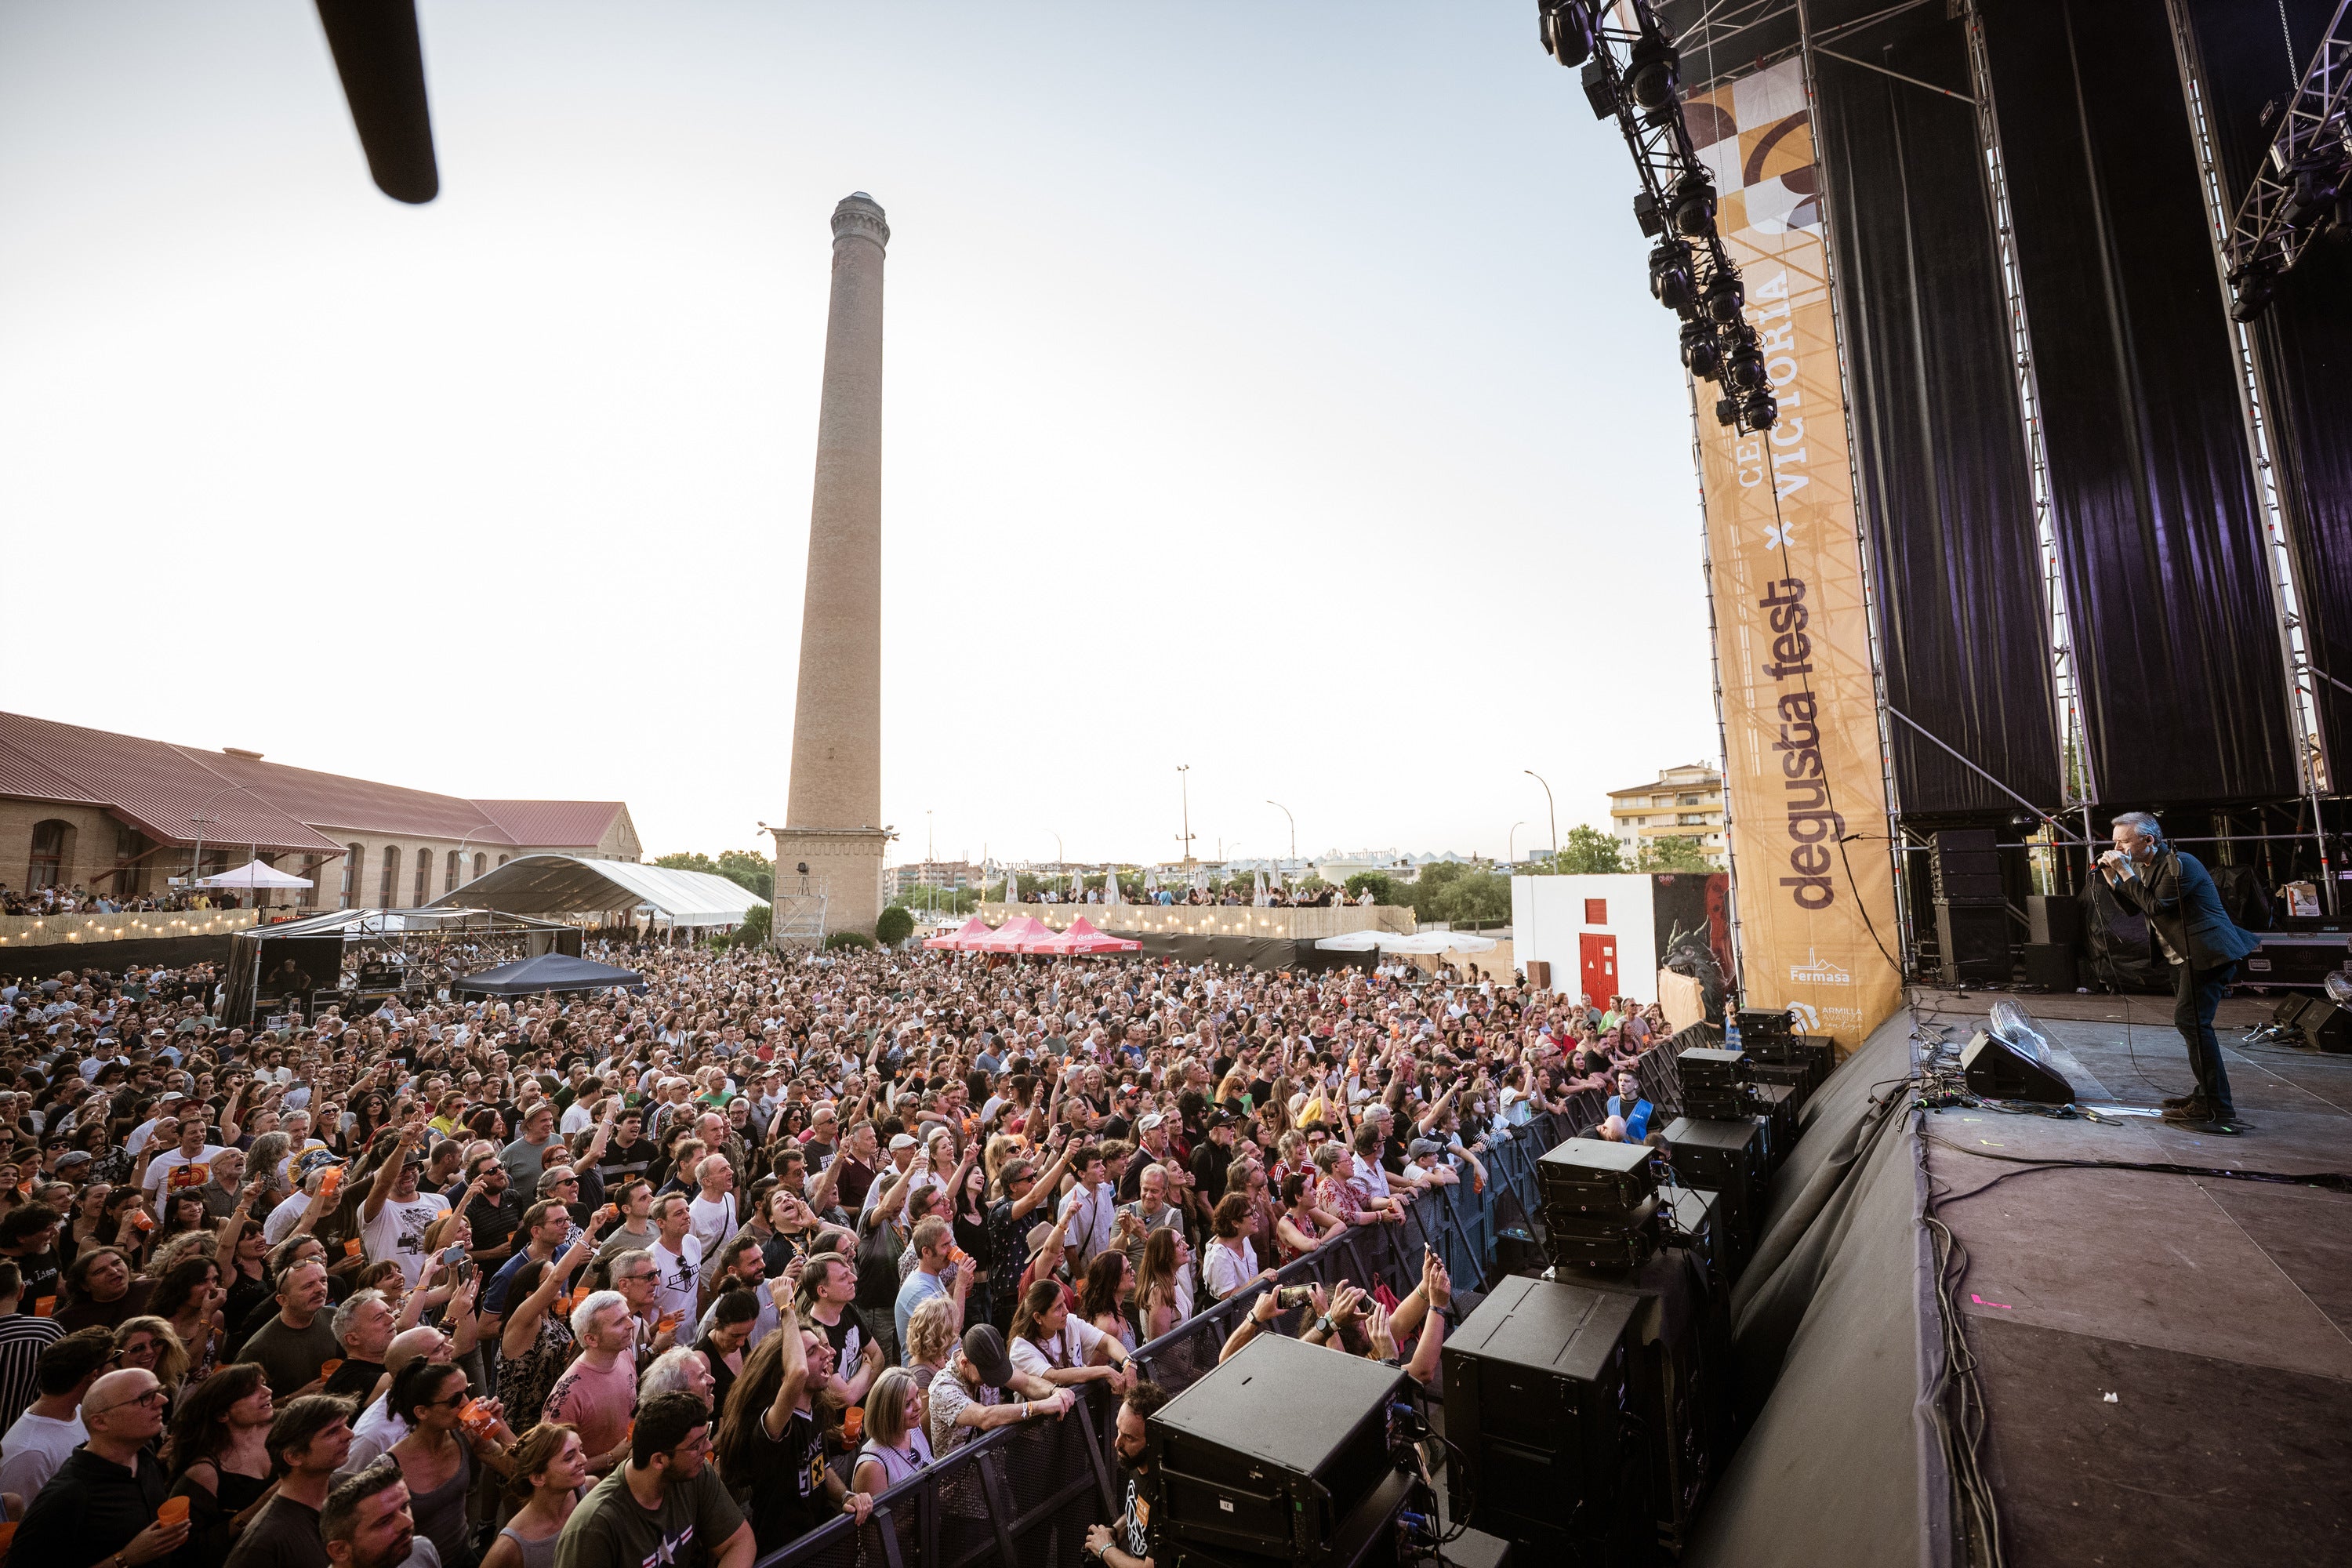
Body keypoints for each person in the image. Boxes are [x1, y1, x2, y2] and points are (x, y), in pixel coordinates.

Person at [2100, 811, 2262, 1132]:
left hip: (2208, 954)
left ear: (2149, 840)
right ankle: (2205, 1094)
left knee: (2192, 1023)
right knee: (2193, 1026)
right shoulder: (2146, 867)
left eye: (2124, 841)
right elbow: (2137, 906)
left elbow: (2159, 906)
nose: (2117, 847)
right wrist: (2114, 879)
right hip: (2184, 957)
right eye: (2115, 841)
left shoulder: (2179, 864)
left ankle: (2216, 1108)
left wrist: (2123, 870)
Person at [712, 1301, 871, 1551]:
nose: (827, 1353)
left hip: (819, 1537)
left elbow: (821, 1467)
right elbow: (798, 1372)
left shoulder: (815, 1409)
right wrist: (786, 1307)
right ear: (785, 1375)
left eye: (822, 1346)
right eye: (811, 1351)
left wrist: (845, 1496)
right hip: (785, 1551)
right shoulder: (773, 1424)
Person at [9, 1366, 189, 1568]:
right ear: (101, 1422)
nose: (163, 1401)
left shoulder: (144, 1452)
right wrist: (125, 1559)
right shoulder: (67, 1494)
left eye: (159, 1391)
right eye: (146, 1398)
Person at [554, 1390, 753, 1568]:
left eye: (706, 1436)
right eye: (696, 1446)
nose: (709, 1447)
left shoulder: (696, 1473)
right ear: (659, 1460)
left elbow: (740, 1542)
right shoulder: (593, 1527)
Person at [163, 1362, 279, 1568]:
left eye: (263, 1384)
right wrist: (260, 1506)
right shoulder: (204, 1472)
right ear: (222, 1415)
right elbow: (188, 1550)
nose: (267, 1391)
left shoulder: (278, 1430)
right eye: (251, 1391)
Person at [223, 1395, 356, 1568]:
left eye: (345, 1425)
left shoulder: (351, 1488)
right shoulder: (263, 1542)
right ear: (293, 1456)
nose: (350, 1434)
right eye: (332, 1432)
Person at [0, 1324, 113, 1500]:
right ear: (94, 1374)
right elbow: (23, 1525)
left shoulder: (78, 1411)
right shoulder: (30, 1454)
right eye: (115, 1359)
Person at [541, 1292, 637, 1476]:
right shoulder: (568, 1395)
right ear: (591, 1339)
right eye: (619, 1322)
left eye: (628, 1316)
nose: (631, 1325)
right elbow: (552, 1468)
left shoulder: (624, 1354)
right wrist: (611, 1458)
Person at [1084, 1378, 1167, 1568]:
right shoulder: (1136, 1463)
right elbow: (1138, 1511)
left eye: (1129, 1437)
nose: (1117, 1443)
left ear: (1153, 1440)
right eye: (1119, 1430)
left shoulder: (1165, 1491)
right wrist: (1116, 1530)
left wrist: (1106, 1550)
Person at [481, 1424, 589, 1568]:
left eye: (581, 1450)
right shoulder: (509, 1547)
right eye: (569, 1458)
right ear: (538, 1478)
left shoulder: (589, 1490)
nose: (584, 1460)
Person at [236, 1258, 340, 1397]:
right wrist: (294, 1398)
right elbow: (241, 1409)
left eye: (323, 1280)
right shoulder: (257, 1349)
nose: (320, 1289)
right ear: (283, 1300)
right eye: (308, 1286)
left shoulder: (333, 1317)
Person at [320, 1458, 434, 1568]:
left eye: (404, 1507)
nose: (408, 1522)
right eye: (384, 1521)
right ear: (340, 1550)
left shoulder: (420, 1551)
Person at [848, 1365, 932, 1497]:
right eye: (907, 1404)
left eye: (917, 1396)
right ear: (887, 1411)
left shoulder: (915, 1429)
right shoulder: (873, 1466)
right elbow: (883, 1517)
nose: (918, 1406)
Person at [1604, 1071, 1654, 1143]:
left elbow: (1653, 1140)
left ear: (1636, 1085)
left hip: (1639, 1152)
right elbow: (1606, 1130)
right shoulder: (1610, 1103)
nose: (1622, 1084)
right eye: (1620, 1080)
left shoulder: (1648, 1109)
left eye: (1627, 1081)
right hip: (1615, 1151)